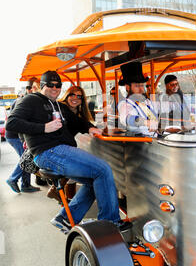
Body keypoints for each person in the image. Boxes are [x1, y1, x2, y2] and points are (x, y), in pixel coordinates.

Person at [6, 70, 130, 233]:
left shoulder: (58, 104)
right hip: (49, 151)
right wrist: (43, 128)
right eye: (50, 85)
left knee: (96, 181)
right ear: (43, 85)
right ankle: (111, 222)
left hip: (60, 150)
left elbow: (77, 121)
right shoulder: (32, 99)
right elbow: (12, 123)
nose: (55, 88)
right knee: (103, 169)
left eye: (58, 85)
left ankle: (64, 218)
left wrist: (90, 128)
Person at [46, 85, 95, 203]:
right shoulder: (61, 107)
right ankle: (65, 201)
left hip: (68, 147)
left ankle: (66, 202)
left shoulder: (79, 113)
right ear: (67, 95)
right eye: (72, 94)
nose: (76, 98)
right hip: (55, 149)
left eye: (79, 96)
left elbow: (82, 125)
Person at [5, 96, 41, 194]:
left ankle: (25, 185)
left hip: (17, 135)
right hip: (15, 136)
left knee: (27, 158)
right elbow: (19, 122)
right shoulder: (23, 100)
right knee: (25, 159)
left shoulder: (28, 100)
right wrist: (24, 140)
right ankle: (13, 179)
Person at [118, 62, 159, 136]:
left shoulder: (147, 102)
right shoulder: (125, 104)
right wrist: (145, 122)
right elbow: (127, 118)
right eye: (137, 86)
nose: (141, 89)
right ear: (127, 87)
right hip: (138, 143)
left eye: (142, 85)